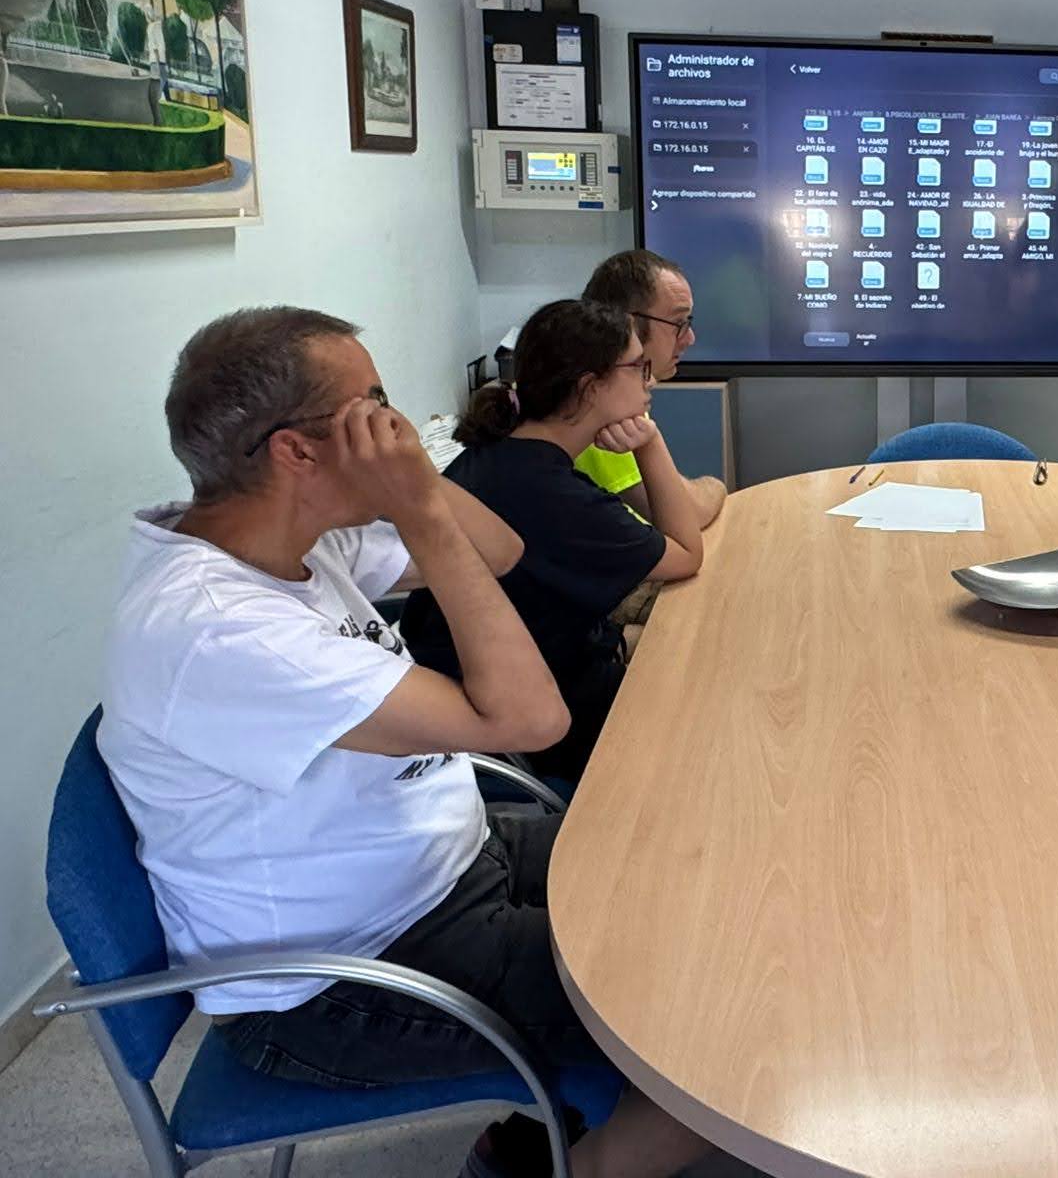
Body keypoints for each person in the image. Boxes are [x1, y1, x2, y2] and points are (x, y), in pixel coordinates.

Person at [98, 306, 720, 1178]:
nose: (395, 430)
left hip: (441, 857)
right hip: (348, 973)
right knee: (714, 1015)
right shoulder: (220, 630)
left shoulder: (291, 540)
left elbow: (498, 549)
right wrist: (419, 502)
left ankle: (551, 1124)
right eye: (374, 410)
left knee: (702, 859)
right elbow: (530, 721)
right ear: (296, 453)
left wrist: (415, 480)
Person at [402, 300, 706, 782]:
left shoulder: (500, 455)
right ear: (590, 387)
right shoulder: (555, 495)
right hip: (558, 724)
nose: (648, 381)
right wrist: (650, 443)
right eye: (637, 367)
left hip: (518, 684)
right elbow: (687, 553)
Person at [576, 248, 727, 528]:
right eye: (678, 323)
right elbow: (687, 514)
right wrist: (715, 485)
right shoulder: (596, 403)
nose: (690, 338)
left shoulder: (601, 384)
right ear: (627, 325)